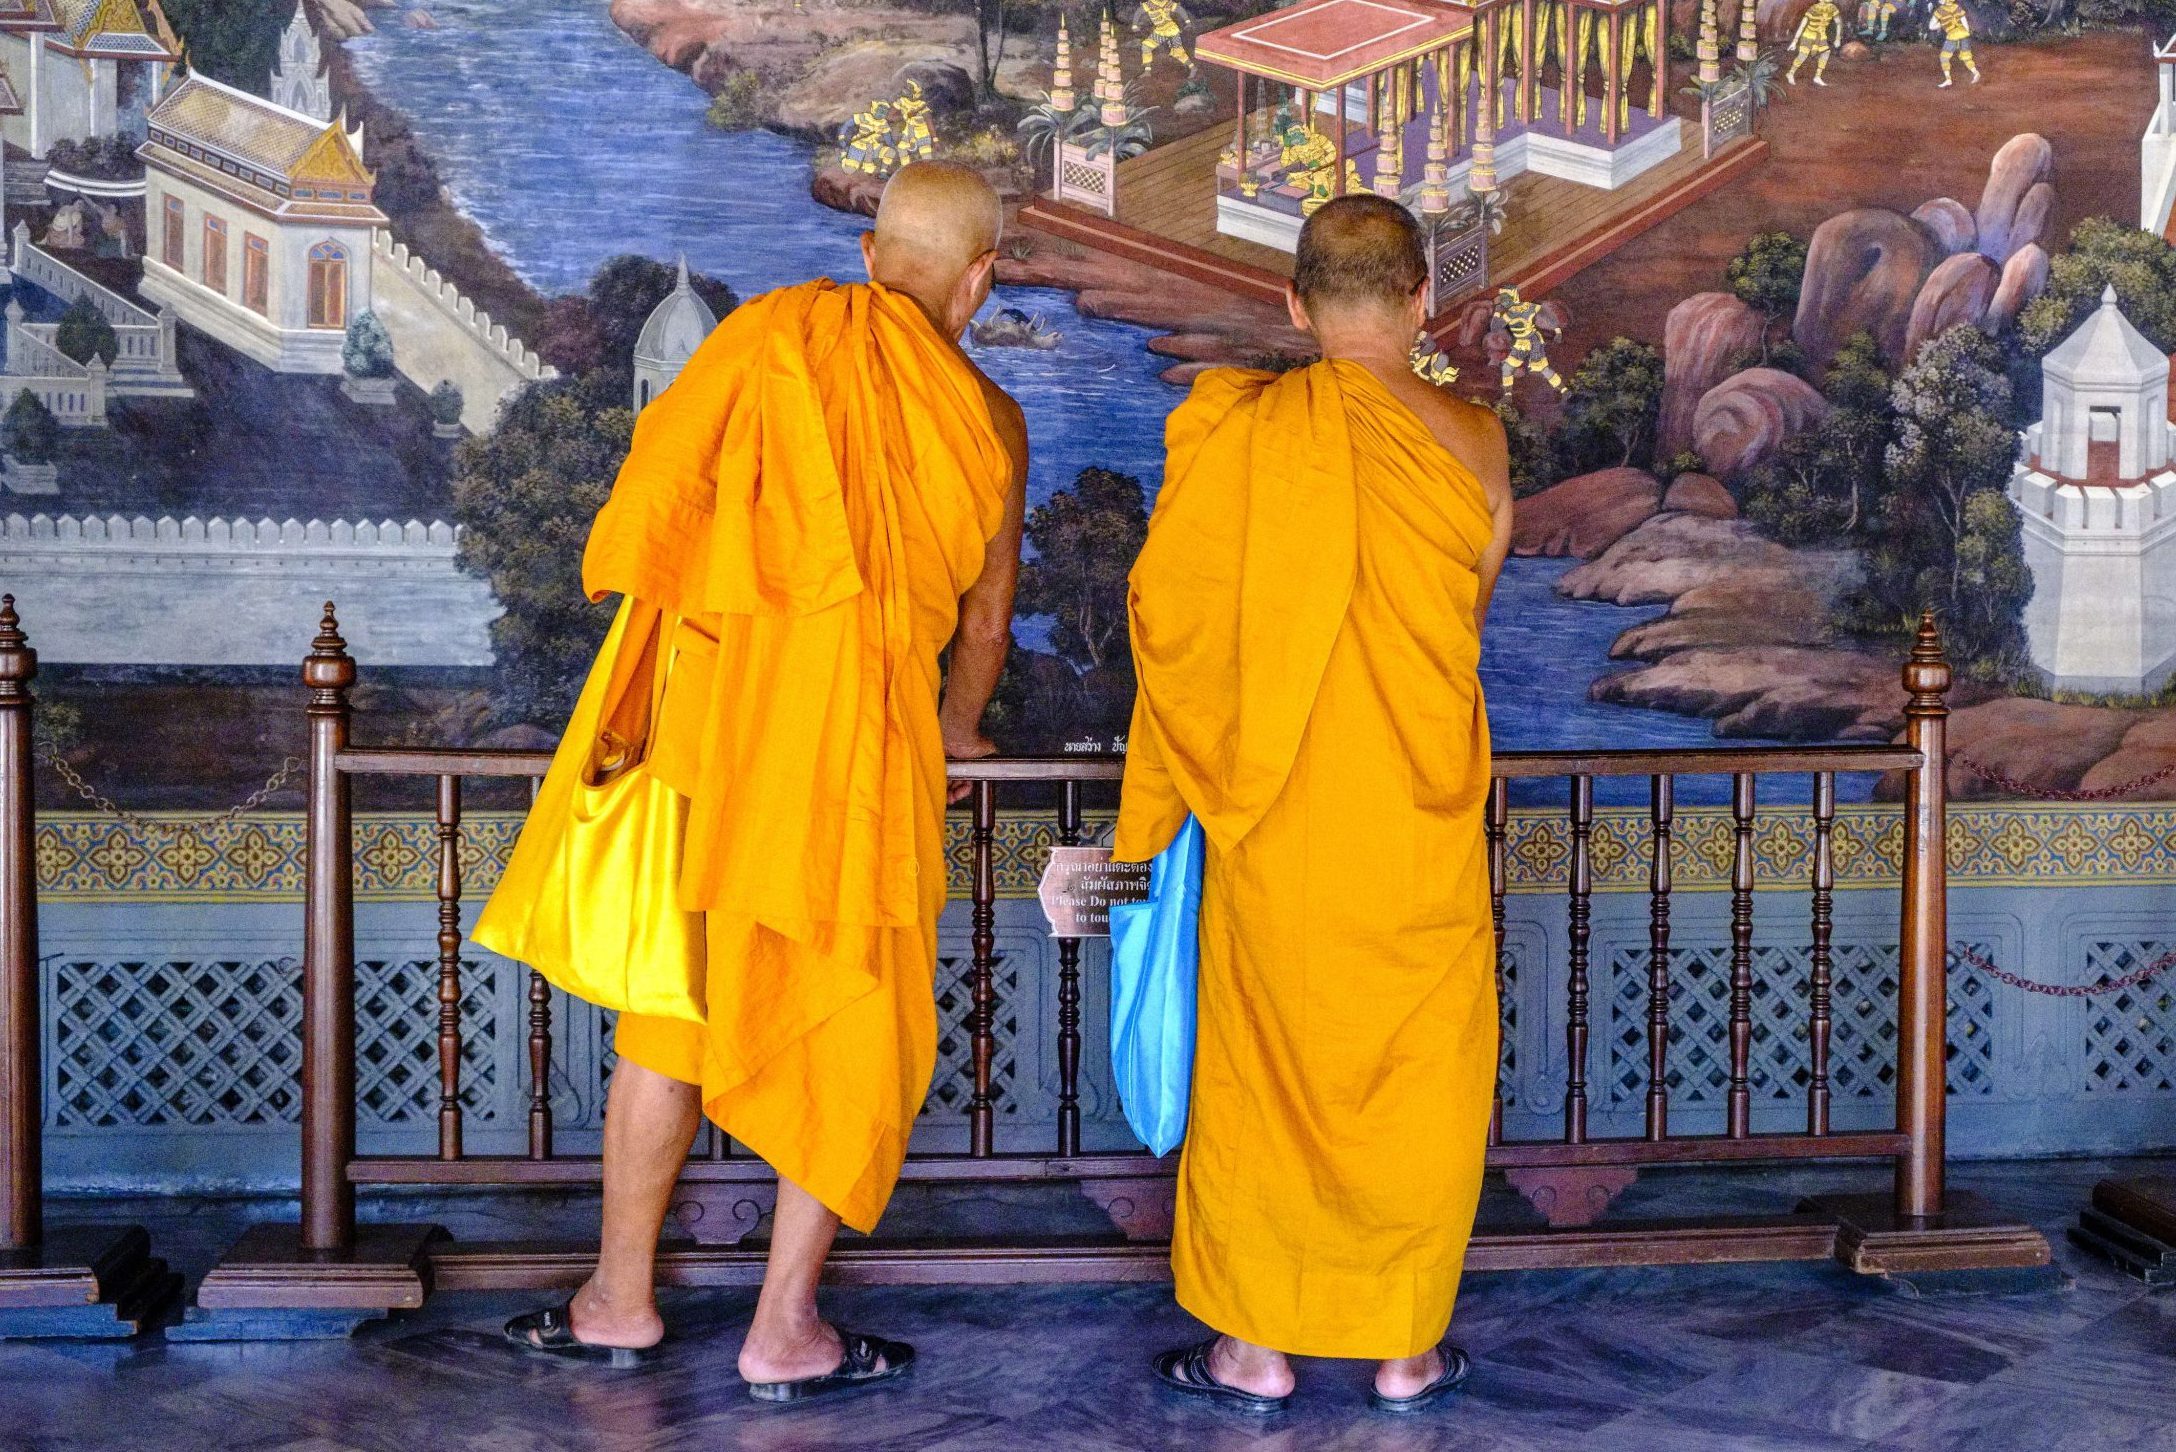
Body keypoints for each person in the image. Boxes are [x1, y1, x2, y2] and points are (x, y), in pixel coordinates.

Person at [486, 161, 1028, 1403]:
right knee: (841, 1018)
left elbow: (666, 524)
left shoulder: (769, 340)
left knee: (672, 1020)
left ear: (877, 248)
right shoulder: (988, 418)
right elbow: (985, 629)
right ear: (981, 277)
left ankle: (619, 1298)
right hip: (867, 763)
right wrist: (958, 728)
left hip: (721, 744)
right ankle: (784, 1325)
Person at [1114, 194, 1514, 1416]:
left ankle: (1255, 1352)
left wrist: (1142, 837)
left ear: (1291, 304)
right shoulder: (1477, 441)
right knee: (1420, 1077)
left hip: (1276, 814)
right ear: (1424, 303)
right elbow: (1466, 611)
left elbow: (1172, 630)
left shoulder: (1236, 430)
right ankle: (1400, 1349)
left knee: (1268, 1082)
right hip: (1416, 814)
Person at [1786, 0, 1844, 85]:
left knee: (1826, 52)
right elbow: (1802, 25)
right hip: (1809, 35)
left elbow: (1838, 23)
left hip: (1821, 35)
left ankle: (1817, 76)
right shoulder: (1813, 8)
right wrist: (1795, 41)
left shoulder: (1833, 8)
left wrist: (1838, 38)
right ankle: (1790, 73)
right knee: (1803, 55)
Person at [1929, 0, 1980, 86]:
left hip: (1952, 36)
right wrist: (1966, 34)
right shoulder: (1957, 7)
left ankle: (1948, 79)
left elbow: (1931, 26)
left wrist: (1942, 24)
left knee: (1944, 57)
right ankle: (1975, 72)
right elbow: (1965, 23)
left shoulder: (1939, 11)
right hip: (1964, 34)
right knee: (1966, 57)